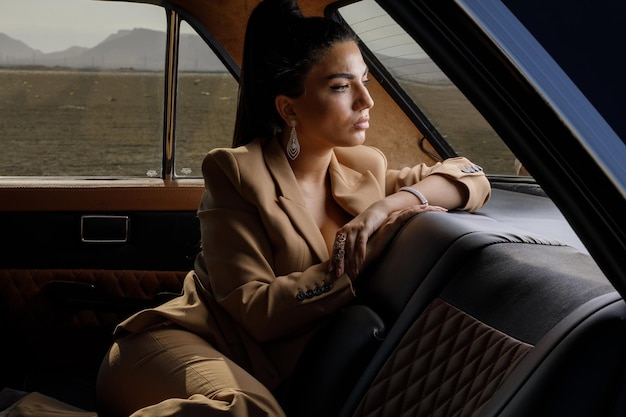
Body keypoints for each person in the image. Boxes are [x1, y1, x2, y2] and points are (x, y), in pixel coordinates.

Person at [96, 0, 491, 416]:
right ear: (289, 107)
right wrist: (362, 255)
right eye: (341, 86)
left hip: (259, 375)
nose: (365, 101)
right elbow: (257, 311)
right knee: (252, 411)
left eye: (366, 81)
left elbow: (472, 175)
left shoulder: (365, 168)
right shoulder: (236, 173)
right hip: (176, 347)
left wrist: (385, 209)